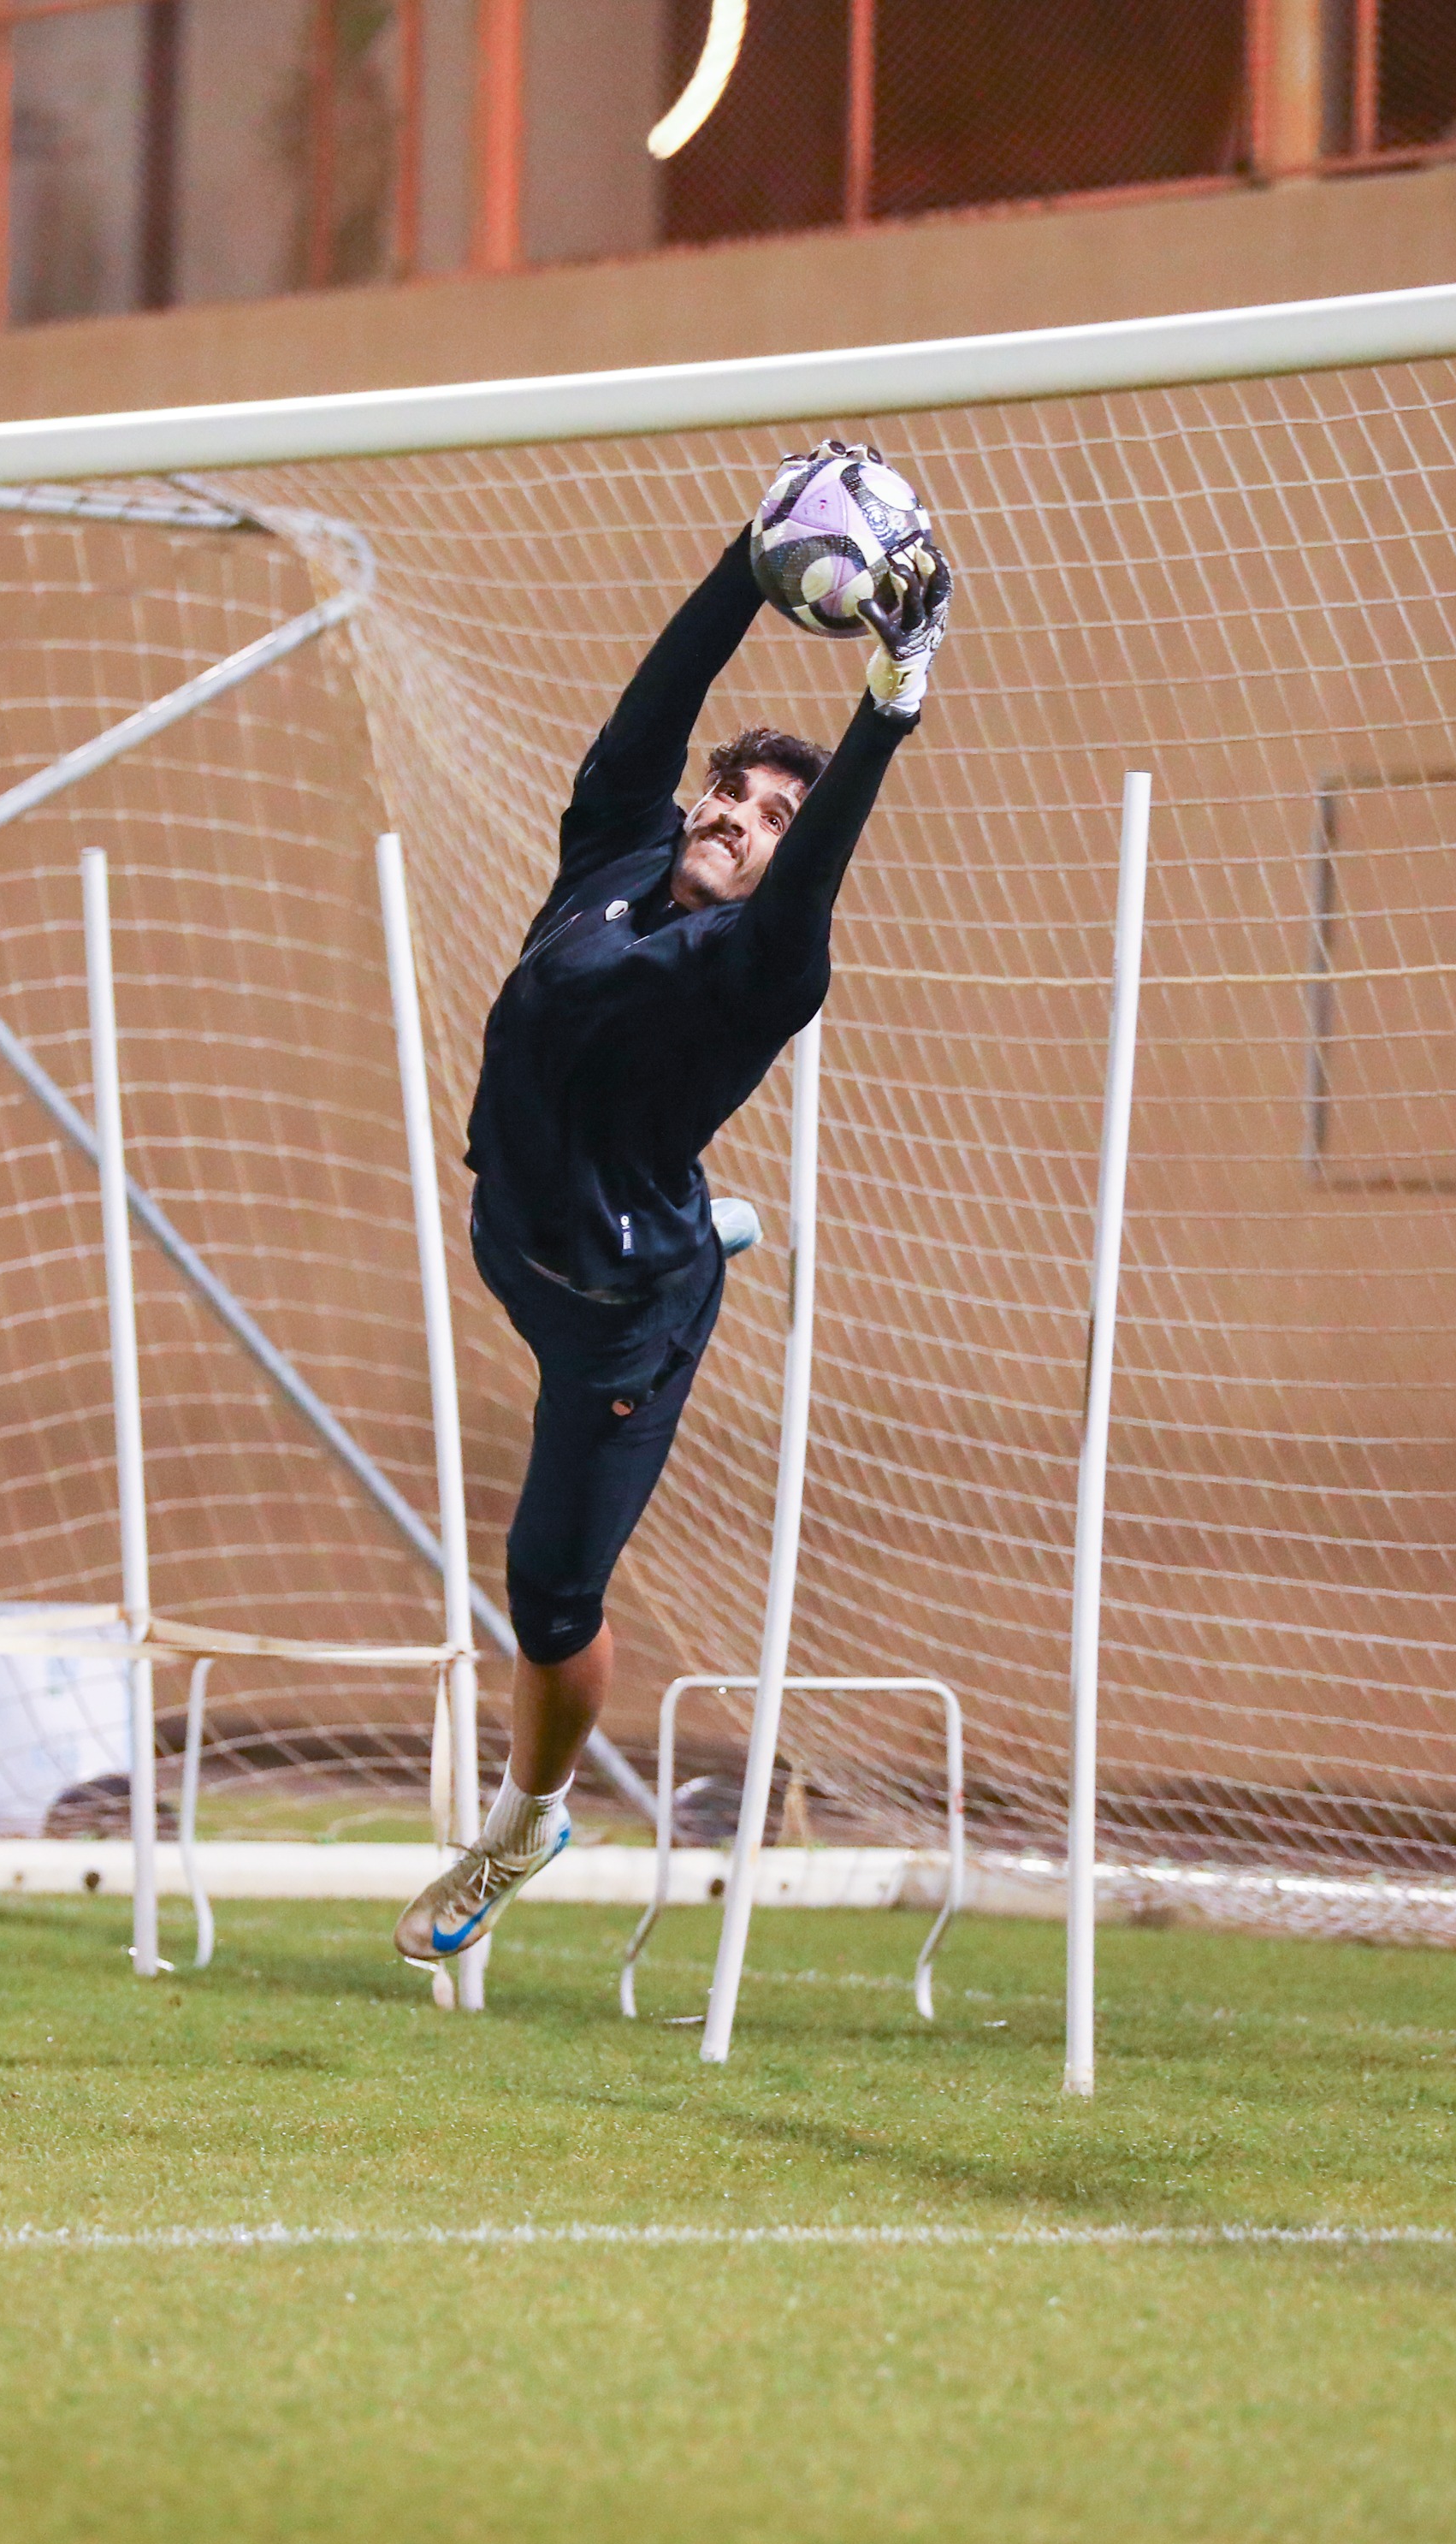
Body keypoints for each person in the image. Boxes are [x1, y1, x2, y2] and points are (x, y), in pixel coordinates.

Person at [394, 449, 952, 1968]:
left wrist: (891, 700)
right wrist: (751, 554)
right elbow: (662, 701)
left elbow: (814, 878)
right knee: (607, 1198)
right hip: (516, 1226)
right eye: (734, 791)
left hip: (613, 1321)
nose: (740, 815)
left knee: (547, 1597)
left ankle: (527, 1820)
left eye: (774, 815)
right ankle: (704, 1212)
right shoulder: (618, 847)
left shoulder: (767, 966)